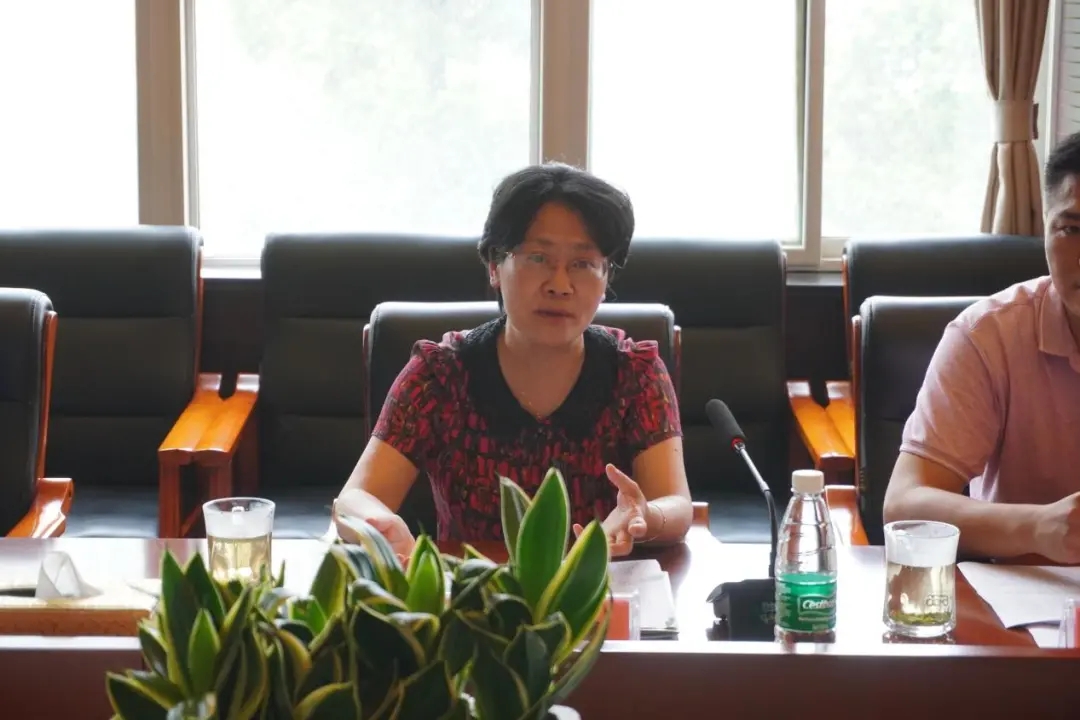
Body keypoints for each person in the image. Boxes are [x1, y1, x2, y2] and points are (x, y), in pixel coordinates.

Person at [332, 163, 693, 559]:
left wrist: (645, 516)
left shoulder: (635, 374)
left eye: (583, 264)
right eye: (537, 258)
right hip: (475, 589)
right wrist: (378, 525)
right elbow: (353, 499)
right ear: (494, 266)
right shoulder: (438, 376)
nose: (559, 285)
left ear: (606, 278)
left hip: (602, 588)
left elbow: (676, 505)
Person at [883, 131, 1080, 563]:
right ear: (1045, 229)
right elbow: (904, 503)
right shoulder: (987, 336)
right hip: (1024, 594)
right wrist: (1037, 527)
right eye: (1072, 229)